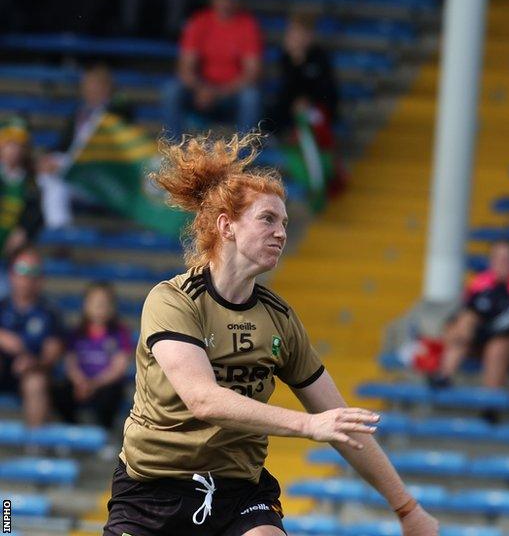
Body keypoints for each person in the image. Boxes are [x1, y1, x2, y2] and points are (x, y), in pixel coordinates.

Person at [103, 133, 438, 536]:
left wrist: (407, 508)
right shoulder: (173, 300)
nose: (281, 232)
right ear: (226, 226)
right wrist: (307, 425)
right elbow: (203, 400)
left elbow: (341, 422)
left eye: (284, 223)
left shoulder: (279, 319)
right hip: (150, 493)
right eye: (267, 219)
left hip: (238, 495)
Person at [161, 0, 262, 138]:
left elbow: (252, 74)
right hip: (200, 93)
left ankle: (244, 157)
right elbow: (185, 68)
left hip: (230, 96)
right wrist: (202, 89)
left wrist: (218, 93)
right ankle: (175, 152)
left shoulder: (247, 25)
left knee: (251, 98)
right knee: (171, 90)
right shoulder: (199, 21)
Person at [430, 240, 509, 392]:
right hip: (479, 338)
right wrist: (453, 326)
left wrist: (480, 333)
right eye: (497, 257)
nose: (502, 262)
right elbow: (465, 310)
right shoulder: (481, 281)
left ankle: (490, 404)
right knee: (465, 322)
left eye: (507, 258)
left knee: (497, 347)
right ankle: (444, 376)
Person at [40, 64, 135, 230]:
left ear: (107, 88)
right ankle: (62, 232)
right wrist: (46, 157)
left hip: (103, 176)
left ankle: (60, 236)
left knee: (53, 176)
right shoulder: (78, 113)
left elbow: (114, 147)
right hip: (77, 175)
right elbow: (63, 146)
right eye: (86, 85)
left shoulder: (117, 113)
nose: (89, 90)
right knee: (52, 181)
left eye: (94, 85)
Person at [51, 282, 133, 431]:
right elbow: (70, 362)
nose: (99, 307)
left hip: (104, 385)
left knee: (112, 395)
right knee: (59, 392)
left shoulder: (120, 333)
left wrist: (94, 384)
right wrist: (80, 382)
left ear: (112, 306)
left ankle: (105, 435)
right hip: (80, 384)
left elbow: (119, 367)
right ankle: (72, 431)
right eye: (95, 303)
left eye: (104, 303)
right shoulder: (77, 333)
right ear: (85, 305)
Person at [0, 247, 65, 428]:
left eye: (34, 271)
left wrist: (33, 362)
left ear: (41, 278)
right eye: (22, 270)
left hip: (34, 373)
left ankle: (34, 448)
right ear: (11, 274)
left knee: (35, 382)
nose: (28, 277)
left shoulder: (50, 312)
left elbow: (52, 353)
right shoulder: (2, 306)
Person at [270, 11, 339, 149]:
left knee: (309, 118)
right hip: (291, 108)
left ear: (308, 36)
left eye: (296, 33)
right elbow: (287, 88)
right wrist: (296, 62)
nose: (292, 37)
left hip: (318, 107)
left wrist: (308, 100)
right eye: (291, 32)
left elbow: (326, 89)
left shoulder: (320, 57)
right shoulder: (286, 58)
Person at [0, 117, 44, 258]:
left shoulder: (31, 180)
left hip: (14, 253)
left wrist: (24, 231)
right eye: (10, 144)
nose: (15, 150)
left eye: (20, 145)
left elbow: (35, 212)